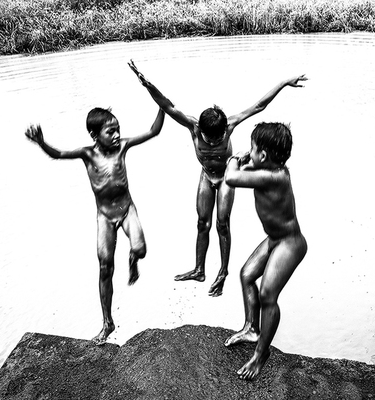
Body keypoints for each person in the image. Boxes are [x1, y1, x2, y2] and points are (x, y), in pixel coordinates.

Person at [128, 59, 307, 297]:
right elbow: (167, 105)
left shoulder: (230, 125)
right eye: (208, 139)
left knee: (222, 224)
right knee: (202, 223)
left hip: (225, 177)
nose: (213, 143)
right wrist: (146, 84)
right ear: (200, 130)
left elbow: (258, 106)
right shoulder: (192, 126)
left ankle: (223, 272)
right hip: (206, 176)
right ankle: (199, 269)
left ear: (225, 130)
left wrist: (283, 83)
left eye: (218, 139)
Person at [25, 106, 165, 345]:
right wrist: (41, 142)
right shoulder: (87, 154)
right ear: (94, 135)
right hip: (104, 216)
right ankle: (107, 322)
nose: (117, 135)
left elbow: (153, 131)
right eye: (110, 132)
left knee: (140, 249)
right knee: (105, 266)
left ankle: (133, 260)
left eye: (118, 129)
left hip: (126, 209)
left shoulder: (123, 147)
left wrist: (162, 105)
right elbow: (58, 154)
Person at [223, 122, 308, 380]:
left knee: (268, 295)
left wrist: (234, 159)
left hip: (290, 243)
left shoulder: (275, 176)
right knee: (247, 274)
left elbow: (232, 177)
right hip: (274, 239)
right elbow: (246, 172)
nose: (249, 152)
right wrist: (246, 161)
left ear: (263, 154)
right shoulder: (268, 169)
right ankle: (252, 328)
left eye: (252, 148)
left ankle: (261, 354)